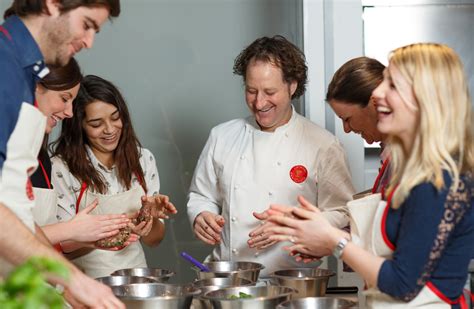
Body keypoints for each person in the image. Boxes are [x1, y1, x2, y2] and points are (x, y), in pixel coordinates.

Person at [264, 43, 473, 308]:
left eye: (392, 85)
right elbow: (404, 249)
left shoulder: (438, 178)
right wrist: (323, 236)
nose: (378, 94)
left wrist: (334, 240)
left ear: (427, 98)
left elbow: (402, 283)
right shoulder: (417, 171)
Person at [187, 35, 355, 275]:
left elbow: (342, 212)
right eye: (251, 91)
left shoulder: (323, 144)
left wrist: (292, 226)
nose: (259, 102)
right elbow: (201, 194)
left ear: (292, 86)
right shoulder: (221, 136)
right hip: (228, 278)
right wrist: (202, 215)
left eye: (269, 91)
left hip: (293, 282)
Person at [0, 1, 124, 307]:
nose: (89, 42)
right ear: (53, 4)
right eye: (87, 25)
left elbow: (16, 208)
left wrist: (63, 279)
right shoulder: (4, 68)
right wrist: (72, 278)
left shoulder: (24, 70)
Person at [51, 75, 177, 278]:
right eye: (96, 123)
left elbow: (154, 240)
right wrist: (108, 235)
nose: (110, 130)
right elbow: (62, 244)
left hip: (137, 280)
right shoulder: (62, 168)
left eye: (115, 118)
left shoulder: (142, 159)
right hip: (85, 282)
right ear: (79, 125)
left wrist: (149, 218)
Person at [30, 58, 132, 251]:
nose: (69, 112)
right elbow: (8, 231)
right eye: (64, 98)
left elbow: (46, 247)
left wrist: (88, 239)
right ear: (35, 88)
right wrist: (68, 230)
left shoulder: (41, 160)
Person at [326, 57, 389, 194]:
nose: (346, 129)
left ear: (375, 103)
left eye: (347, 119)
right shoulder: (388, 150)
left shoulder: (411, 153)